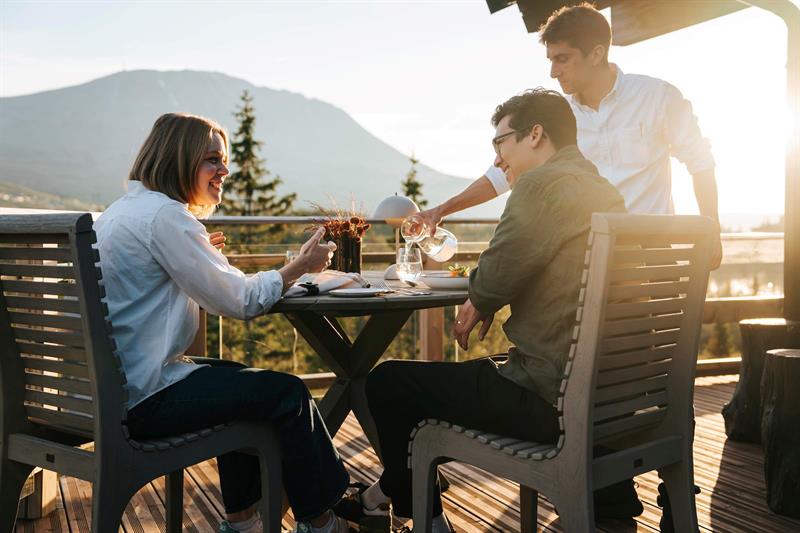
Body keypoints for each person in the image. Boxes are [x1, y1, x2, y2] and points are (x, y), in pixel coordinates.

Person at [333, 89, 627, 532]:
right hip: (609, 393)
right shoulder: (604, 191)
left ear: (535, 135)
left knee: (390, 382)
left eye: (500, 143)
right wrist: (490, 293)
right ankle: (380, 497)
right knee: (438, 385)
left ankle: (421, 517)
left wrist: (485, 296)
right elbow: (527, 266)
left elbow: (496, 270)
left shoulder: (540, 185)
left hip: (551, 396)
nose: (498, 157)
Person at [94, 112, 352, 533]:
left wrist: (196, 255)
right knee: (287, 392)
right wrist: (299, 268)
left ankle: (243, 522)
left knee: (241, 381)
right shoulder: (165, 218)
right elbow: (241, 302)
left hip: (114, 389)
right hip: (142, 400)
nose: (224, 170)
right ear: (180, 159)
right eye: (212, 159)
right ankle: (323, 522)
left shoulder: (121, 213)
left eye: (224, 160)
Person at [416, 2, 722, 270]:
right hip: (588, 262)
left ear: (596, 54)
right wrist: (441, 211)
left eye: (562, 59)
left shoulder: (659, 97)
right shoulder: (557, 118)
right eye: (550, 60)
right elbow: (502, 175)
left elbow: (700, 162)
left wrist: (712, 232)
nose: (553, 72)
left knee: (651, 338)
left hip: (650, 258)